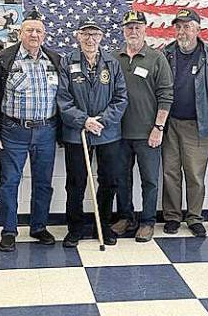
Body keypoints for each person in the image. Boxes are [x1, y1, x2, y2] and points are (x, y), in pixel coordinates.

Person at [0, 9, 61, 252]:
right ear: (20, 33)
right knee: (9, 182)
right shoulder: (5, 60)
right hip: (13, 131)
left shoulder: (55, 60)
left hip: (46, 131)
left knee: (43, 183)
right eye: (29, 30)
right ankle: (9, 230)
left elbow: (64, 97)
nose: (34, 34)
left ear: (44, 34)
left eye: (38, 30)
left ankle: (38, 227)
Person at [57, 17, 128, 247]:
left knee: (109, 181)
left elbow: (121, 97)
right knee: (76, 182)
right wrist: (84, 121)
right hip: (77, 133)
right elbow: (63, 99)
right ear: (78, 36)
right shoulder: (67, 62)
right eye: (86, 34)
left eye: (95, 34)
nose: (90, 39)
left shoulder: (112, 63)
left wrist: (102, 121)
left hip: (108, 134)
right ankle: (75, 228)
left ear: (102, 37)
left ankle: (103, 225)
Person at [161, 9, 208, 237]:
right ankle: (172, 216)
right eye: (179, 26)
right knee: (170, 172)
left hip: (199, 125)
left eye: (187, 26)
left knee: (195, 175)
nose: (182, 31)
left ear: (198, 29)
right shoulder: (167, 52)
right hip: (170, 123)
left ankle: (194, 217)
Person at [112, 11, 173, 242]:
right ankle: (126, 217)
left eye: (137, 27)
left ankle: (147, 221)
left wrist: (158, 127)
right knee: (121, 178)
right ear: (123, 30)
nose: (133, 31)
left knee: (149, 180)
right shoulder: (113, 58)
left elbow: (166, 95)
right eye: (129, 27)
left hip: (149, 133)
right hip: (118, 134)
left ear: (145, 29)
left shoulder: (156, 58)